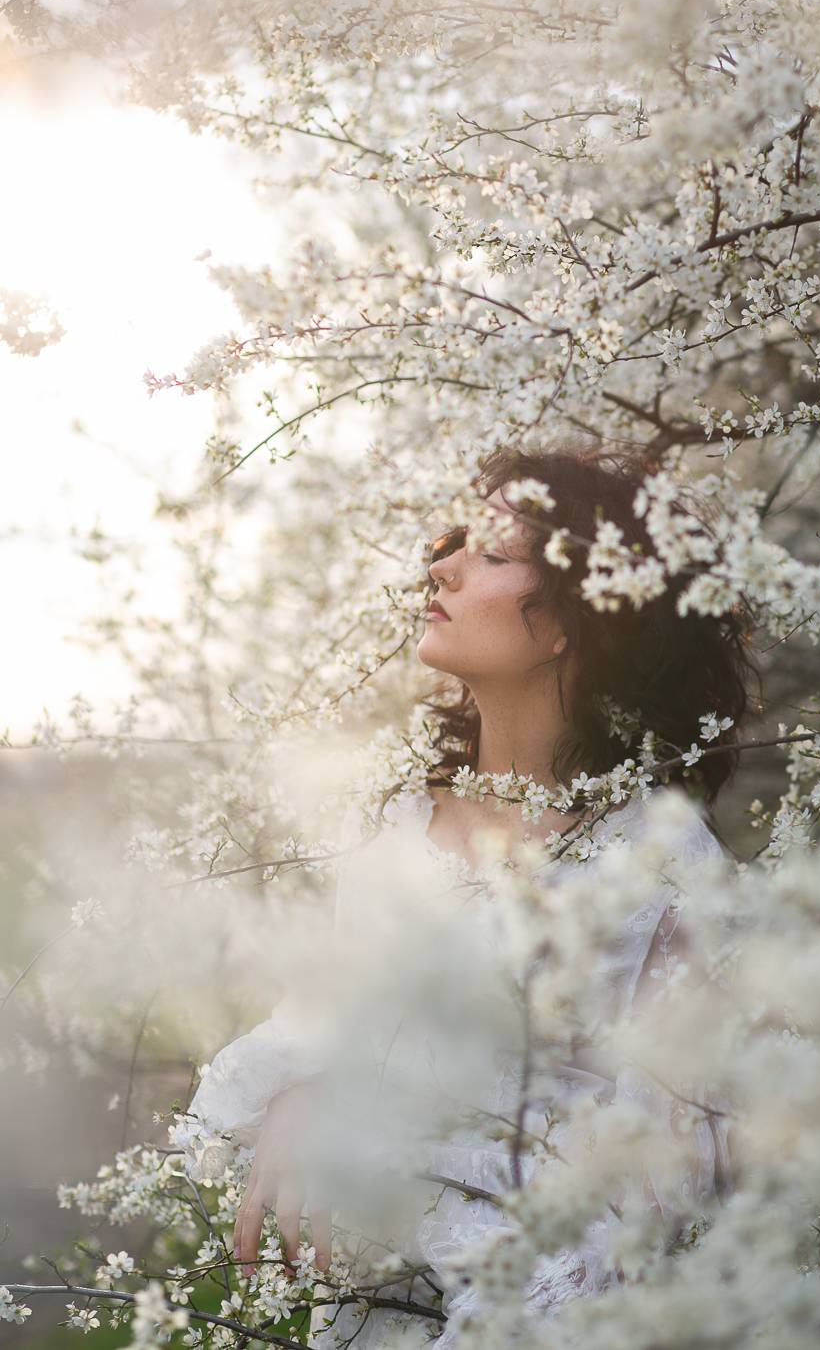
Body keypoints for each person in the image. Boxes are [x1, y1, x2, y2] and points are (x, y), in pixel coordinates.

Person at [172, 439, 757, 1346]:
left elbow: (675, 1167)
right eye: (454, 547)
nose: (440, 567)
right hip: (370, 1288)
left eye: (491, 554)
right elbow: (334, 1015)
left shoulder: (661, 861)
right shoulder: (392, 821)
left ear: (572, 621)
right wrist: (306, 1096)